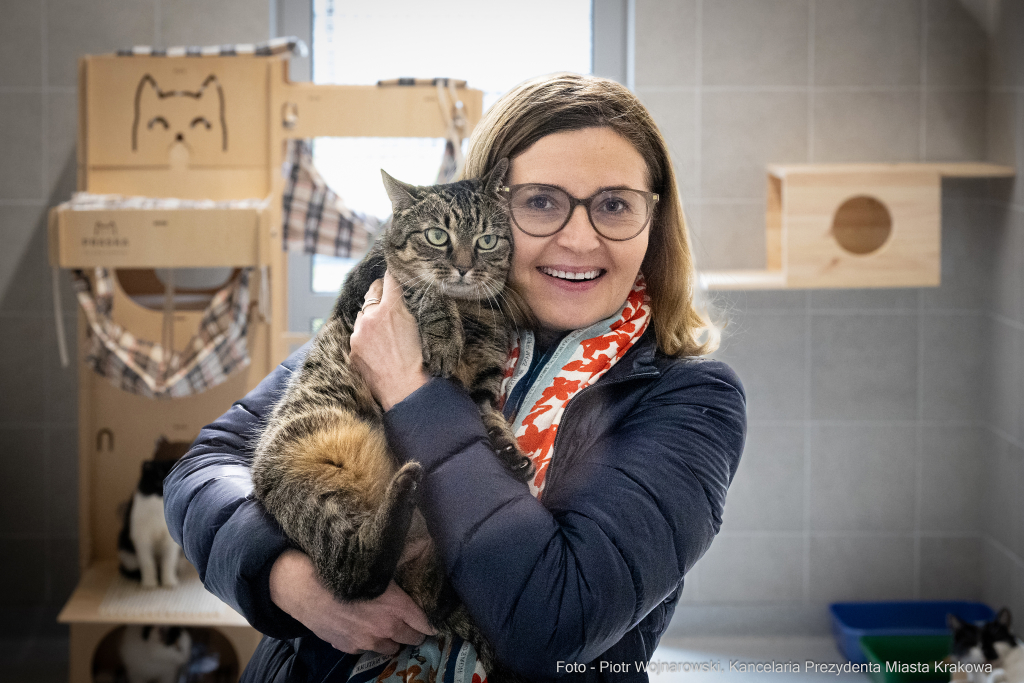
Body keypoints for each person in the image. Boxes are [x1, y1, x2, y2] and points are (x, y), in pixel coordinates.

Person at [164, 72, 746, 682]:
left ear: (653, 220)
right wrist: (288, 579)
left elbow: (554, 627)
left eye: (614, 205)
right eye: (541, 202)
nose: (579, 239)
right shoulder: (391, 316)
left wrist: (412, 392)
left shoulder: (692, 400)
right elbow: (203, 468)